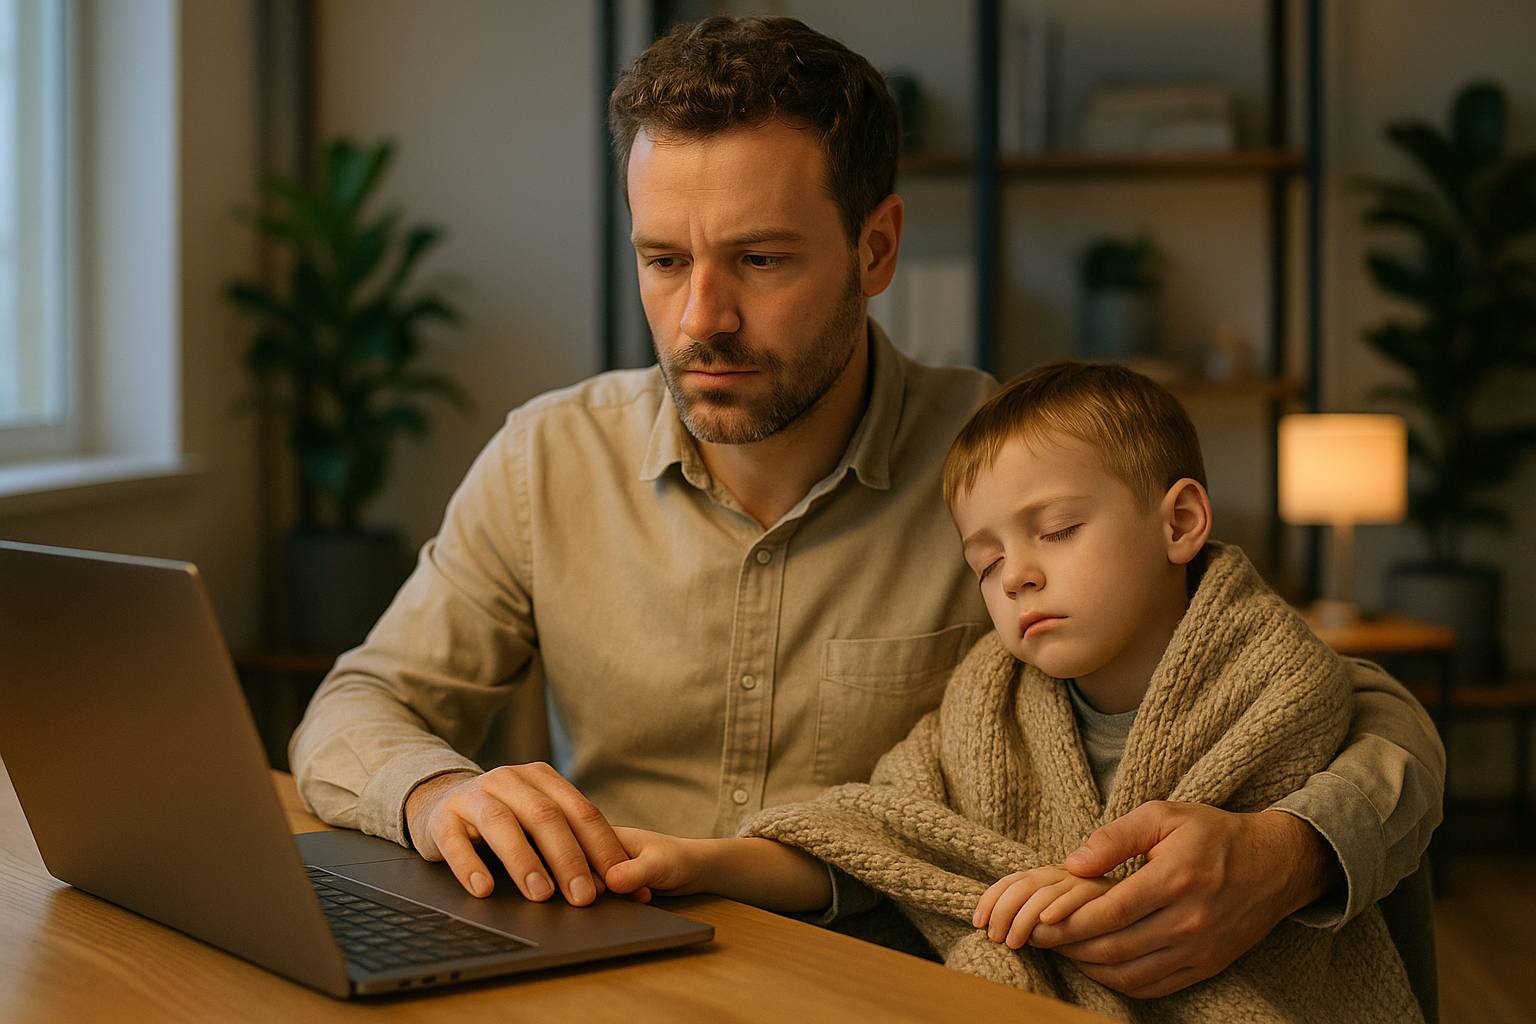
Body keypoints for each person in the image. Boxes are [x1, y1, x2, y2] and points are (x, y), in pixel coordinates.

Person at [289, 15, 1444, 999]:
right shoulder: (548, 457)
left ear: (876, 246)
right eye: (662, 261)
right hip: (608, 977)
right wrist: (439, 793)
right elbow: (359, 707)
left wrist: (1289, 852)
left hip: (892, 983)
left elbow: (1359, 708)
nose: (701, 319)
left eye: (760, 260)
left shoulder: (1014, 479)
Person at [600, 362, 1424, 1021]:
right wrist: (702, 862)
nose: (1019, 575)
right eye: (986, 565)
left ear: (1179, 524)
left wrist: (1106, 895)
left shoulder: (1277, 678)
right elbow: (876, 841)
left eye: (1057, 531)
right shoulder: (985, 704)